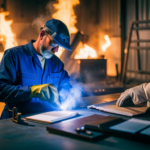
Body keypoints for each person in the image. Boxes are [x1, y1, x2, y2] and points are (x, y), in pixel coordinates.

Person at [0, 19, 72, 119]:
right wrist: (32, 91)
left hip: (46, 122)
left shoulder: (57, 63)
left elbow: (66, 85)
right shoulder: (14, 55)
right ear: (42, 34)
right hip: (16, 123)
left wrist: (62, 97)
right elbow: (1, 90)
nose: (56, 50)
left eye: (59, 46)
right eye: (54, 43)